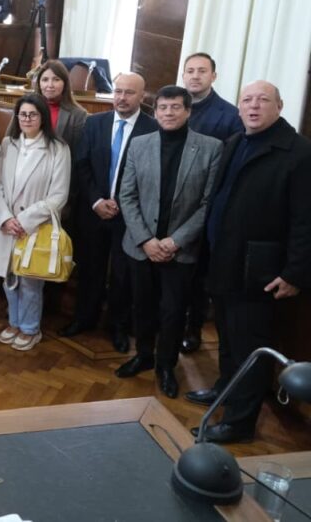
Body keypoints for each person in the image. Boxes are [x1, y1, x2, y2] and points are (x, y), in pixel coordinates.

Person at [186, 80, 311, 443]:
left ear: (280, 106)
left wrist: (294, 273)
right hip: (225, 261)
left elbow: (306, 221)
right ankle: (225, 390)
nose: (253, 107)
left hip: (261, 269)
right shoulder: (236, 141)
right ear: (239, 107)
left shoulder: (299, 153)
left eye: (263, 100)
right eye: (247, 100)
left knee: (250, 349)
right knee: (226, 338)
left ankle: (239, 424)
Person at [114, 85, 222, 398]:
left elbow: (207, 203)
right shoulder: (139, 144)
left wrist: (174, 241)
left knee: (173, 311)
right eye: (163, 108)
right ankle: (144, 355)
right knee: (142, 306)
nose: (169, 113)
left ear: (188, 111)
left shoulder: (210, 148)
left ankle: (166, 365)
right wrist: (146, 240)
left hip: (181, 250)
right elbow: (127, 195)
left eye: (176, 107)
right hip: (140, 246)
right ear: (155, 110)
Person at [60, 73, 157, 352]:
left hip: (131, 218)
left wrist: (124, 205)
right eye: (118, 91)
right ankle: (84, 318)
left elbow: (151, 178)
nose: (121, 98)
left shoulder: (152, 129)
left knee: (123, 274)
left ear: (142, 96)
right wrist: (96, 201)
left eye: (129, 93)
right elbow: (82, 165)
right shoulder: (95, 123)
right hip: (93, 211)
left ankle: (117, 326)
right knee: (90, 267)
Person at [0, 93, 70, 351]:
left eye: (33, 114)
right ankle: (14, 322)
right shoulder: (9, 144)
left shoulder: (58, 149)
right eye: (23, 114)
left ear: (42, 117)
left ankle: (30, 328)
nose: (27, 119)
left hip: (34, 226)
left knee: (30, 280)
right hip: (7, 224)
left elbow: (58, 195)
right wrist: (6, 217)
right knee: (9, 277)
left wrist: (23, 220)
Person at [178, 51, 243, 354]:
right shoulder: (173, 106)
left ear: (213, 76)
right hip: (171, 205)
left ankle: (192, 330)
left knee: (196, 276)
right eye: (190, 70)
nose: (195, 76)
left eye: (201, 71)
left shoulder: (229, 116)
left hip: (204, 206)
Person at [33, 59, 87, 153]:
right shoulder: (26, 107)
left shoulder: (78, 115)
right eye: (45, 80)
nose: (50, 85)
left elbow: (78, 154)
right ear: (39, 83)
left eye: (56, 80)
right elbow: (11, 140)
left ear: (65, 84)